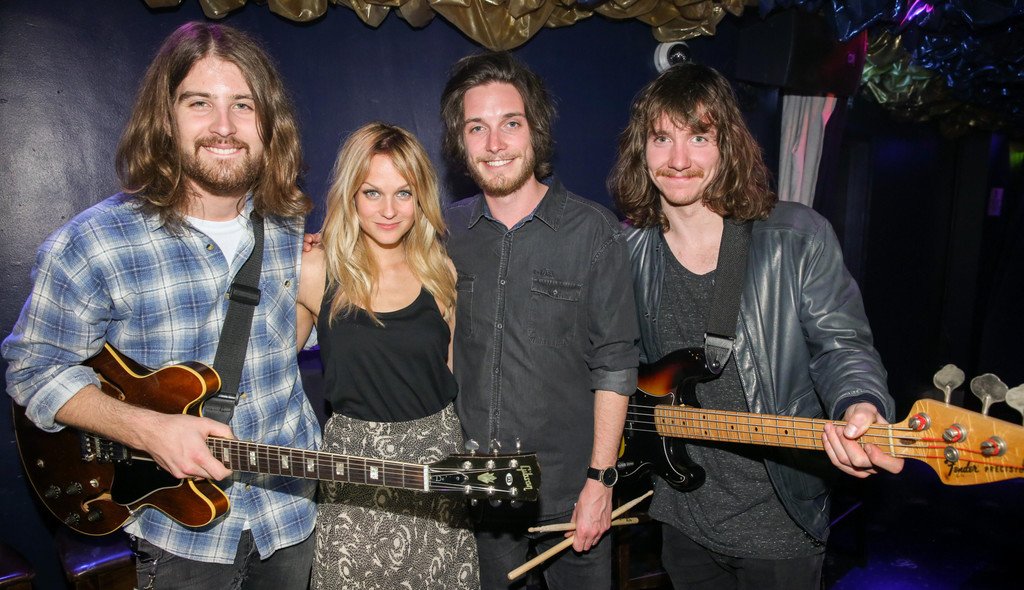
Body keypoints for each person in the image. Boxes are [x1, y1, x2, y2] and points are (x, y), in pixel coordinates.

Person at [2, 22, 319, 589]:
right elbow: (32, 370)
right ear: (165, 118)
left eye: (243, 105)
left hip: (291, 515)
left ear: (269, 122)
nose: (224, 126)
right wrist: (146, 429)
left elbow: (273, 345)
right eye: (200, 103)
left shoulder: (290, 225)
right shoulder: (94, 243)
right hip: (180, 535)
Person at [609, 62, 904, 589]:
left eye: (699, 137)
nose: (678, 159)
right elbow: (611, 359)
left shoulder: (796, 237)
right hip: (682, 514)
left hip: (780, 523)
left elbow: (842, 347)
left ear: (727, 145)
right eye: (662, 138)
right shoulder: (627, 250)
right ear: (642, 149)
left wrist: (860, 403)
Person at [439, 52, 639, 590]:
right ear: (461, 141)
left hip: (571, 493)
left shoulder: (593, 232)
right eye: (476, 128)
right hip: (479, 489)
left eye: (510, 123)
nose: (494, 143)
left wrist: (601, 481)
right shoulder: (443, 232)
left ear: (536, 131)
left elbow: (616, 364)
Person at [296, 122, 478, 589]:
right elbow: (266, 372)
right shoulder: (316, 270)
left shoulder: (440, 271)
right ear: (351, 196)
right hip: (355, 472)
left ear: (421, 198)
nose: (389, 210)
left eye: (404, 193)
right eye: (372, 193)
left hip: (437, 463)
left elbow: (449, 374)